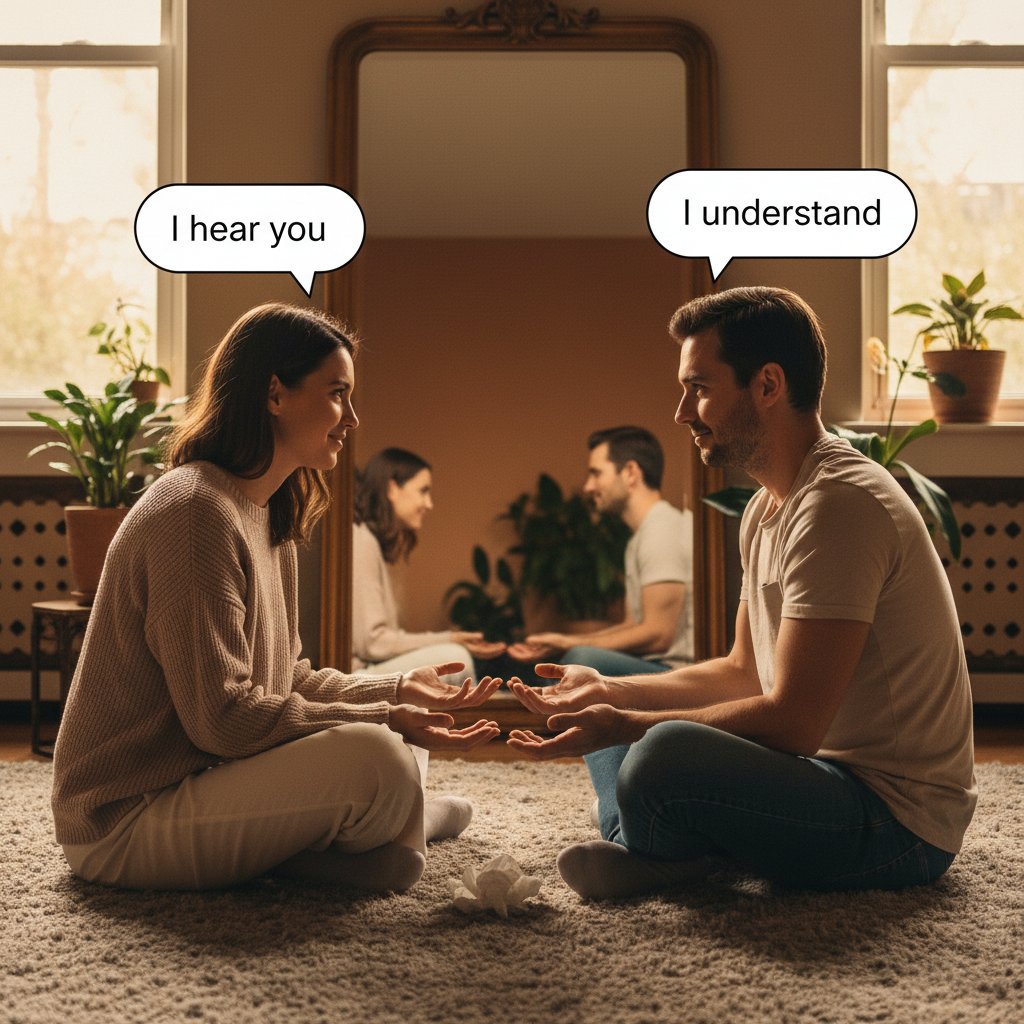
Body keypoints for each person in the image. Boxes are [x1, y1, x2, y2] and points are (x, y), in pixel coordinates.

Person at [506, 286, 977, 900]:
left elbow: (795, 722)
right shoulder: (764, 509)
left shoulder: (840, 504)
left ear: (768, 385)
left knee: (659, 751)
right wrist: (609, 694)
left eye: (698, 388)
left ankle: (649, 842)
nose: (681, 411)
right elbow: (742, 672)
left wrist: (627, 723)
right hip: (816, 778)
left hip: (894, 823)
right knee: (591, 669)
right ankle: (659, 841)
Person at [51, 302, 501, 894]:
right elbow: (223, 721)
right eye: (338, 393)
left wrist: (395, 690)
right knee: (381, 757)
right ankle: (392, 821)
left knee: (391, 751)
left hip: (205, 781)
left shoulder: (267, 515)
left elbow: (287, 679)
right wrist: (387, 719)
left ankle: (365, 833)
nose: (353, 418)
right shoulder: (194, 512)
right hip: (123, 822)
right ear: (274, 394)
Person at [508, 426, 693, 679]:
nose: (588, 486)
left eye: (596, 473)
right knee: (554, 662)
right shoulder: (642, 535)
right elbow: (632, 626)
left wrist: (570, 645)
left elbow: (659, 634)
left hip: (674, 672)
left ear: (630, 472)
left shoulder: (662, 529)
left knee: (579, 660)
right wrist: (563, 640)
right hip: (651, 665)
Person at [352, 447, 505, 682]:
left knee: (455, 658)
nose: (429, 503)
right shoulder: (361, 538)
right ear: (392, 488)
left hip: (370, 668)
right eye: (423, 491)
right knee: (456, 659)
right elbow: (373, 644)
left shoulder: (371, 542)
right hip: (358, 675)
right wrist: (449, 639)